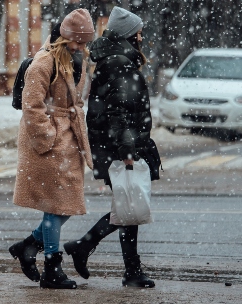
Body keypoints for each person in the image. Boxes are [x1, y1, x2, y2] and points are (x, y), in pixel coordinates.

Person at [63, 6, 161, 288]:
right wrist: (127, 151)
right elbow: (119, 111)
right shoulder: (119, 61)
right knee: (128, 207)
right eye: (138, 32)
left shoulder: (118, 58)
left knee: (127, 207)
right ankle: (101, 256)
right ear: (129, 34)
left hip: (116, 144)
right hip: (118, 145)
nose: (141, 37)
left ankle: (88, 249)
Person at [8, 8, 95, 289]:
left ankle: (28, 246)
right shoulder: (44, 62)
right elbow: (32, 106)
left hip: (67, 139)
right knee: (55, 205)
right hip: (50, 142)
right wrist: (48, 137)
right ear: (64, 38)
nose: (82, 48)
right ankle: (52, 268)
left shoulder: (75, 58)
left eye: (85, 43)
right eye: (78, 42)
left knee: (66, 204)